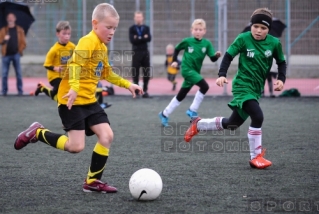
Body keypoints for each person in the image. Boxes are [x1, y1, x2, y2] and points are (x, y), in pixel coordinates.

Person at [14, 3, 143, 193]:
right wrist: (74, 88)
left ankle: (92, 181)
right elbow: (74, 65)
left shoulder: (102, 47)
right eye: (108, 27)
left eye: (114, 28)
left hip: (89, 101)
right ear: (95, 23)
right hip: (71, 100)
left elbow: (107, 74)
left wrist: (128, 84)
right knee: (75, 147)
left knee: (107, 135)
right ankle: (37, 132)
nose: (112, 32)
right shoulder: (87, 41)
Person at [184, 8, 287, 169]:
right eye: (256, 26)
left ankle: (199, 124)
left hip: (255, 89)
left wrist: (281, 79)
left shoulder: (274, 43)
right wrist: (222, 74)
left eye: (263, 28)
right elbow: (228, 55)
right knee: (258, 117)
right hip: (241, 86)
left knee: (232, 124)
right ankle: (256, 157)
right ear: (251, 25)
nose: (258, 31)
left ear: (269, 29)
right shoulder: (243, 39)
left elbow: (281, 62)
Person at [158, 19, 221, 127]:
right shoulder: (187, 41)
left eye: (200, 29)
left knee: (181, 95)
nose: (198, 31)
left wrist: (216, 56)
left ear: (204, 31)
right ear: (192, 30)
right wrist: (174, 61)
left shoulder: (207, 44)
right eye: (196, 29)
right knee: (205, 86)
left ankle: (164, 114)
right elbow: (177, 49)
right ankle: (192, 110)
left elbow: (212, 59)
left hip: (195, 72)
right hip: (187, 70)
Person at [31, 21, 75, 101]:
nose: (67, 36)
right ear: (58, 34)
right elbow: (46, 65)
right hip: (54, 76)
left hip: (65, 76)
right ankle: (42, 88)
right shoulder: (54, 49)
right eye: (64, 34)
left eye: (69, 34)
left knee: (61, 97)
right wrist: (56, 68)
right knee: (58, 89)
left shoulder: (72, 47)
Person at [0, 13, 26, 96]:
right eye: (9, 18)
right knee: (4, 74)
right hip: (5, 55)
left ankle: (20, 90)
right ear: (7, 19)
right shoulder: (3, 30)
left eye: (12, 17)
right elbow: (0, 41)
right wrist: (4, 39)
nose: (10, 19)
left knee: (18, 73)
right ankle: (4, 91)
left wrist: (19, 50)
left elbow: (23, 43)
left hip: (16, 54)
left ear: (15, 19)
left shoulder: (19, 30)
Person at [129, 11, 152, 98]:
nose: (138, 18)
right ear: (135, 18)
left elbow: (149, 38)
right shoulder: (132, 29)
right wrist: (143, 38)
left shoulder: (146, 28)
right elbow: (132, 40)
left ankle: (145, 90)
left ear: (142, 18)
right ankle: (137, 90)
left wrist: (138, 38)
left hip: (145, 52)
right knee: (135, 72)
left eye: (140, 17)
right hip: (136, 52)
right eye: (137, 17)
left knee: (146, 71)